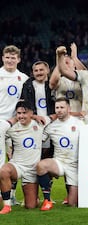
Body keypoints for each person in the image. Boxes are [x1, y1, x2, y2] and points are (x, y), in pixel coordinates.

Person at [0, 101, 51, 214]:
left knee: (31, 205)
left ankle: (35, 197)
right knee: (3, 170)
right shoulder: (12, 128)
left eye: (24, 113)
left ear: (31, 113)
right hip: (17, 166)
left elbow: (53, 116)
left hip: (32, 170)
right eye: (18, 113)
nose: (21, 116)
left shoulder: (40, 123)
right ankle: (7, 205)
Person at [37, 97, 84, 210]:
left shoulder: (79, 124)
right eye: (57, 108)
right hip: (59, 162)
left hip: (74, 165)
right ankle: (47, 201)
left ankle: (71, 195)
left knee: (73, 204)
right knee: (41, 166)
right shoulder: (51, 126)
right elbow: (39, 140)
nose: (59, 110)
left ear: (69, 108)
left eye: (62, 107)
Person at [0, 45, 29, 205]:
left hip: (15, 125)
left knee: (14, 160)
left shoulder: (23, 78)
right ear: (3, 58)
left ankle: (11, 195)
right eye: (7, 57)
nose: (10, 60)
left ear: (18, 59)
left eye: (13, 57)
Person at [21, 61, 56, 159]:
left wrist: (53, 117)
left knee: (49, 153)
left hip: (52, 123)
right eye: (36, 70)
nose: (38, 72)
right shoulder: (27, 85)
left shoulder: (53, 84)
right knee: (35, 154)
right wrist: (35, 116)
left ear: (47, 71)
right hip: (34, 123)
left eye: (41, 70)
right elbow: (24, 106)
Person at [50, 43, 85, 113]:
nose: (65, 65)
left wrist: (74, 57)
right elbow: (52, 84)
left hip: (80, 118)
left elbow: (86, 74)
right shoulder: (60, 80)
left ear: (74, 64)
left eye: (67, 62)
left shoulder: (81, 79)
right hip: (63, 118)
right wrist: (60, 59)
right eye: (64, 63)